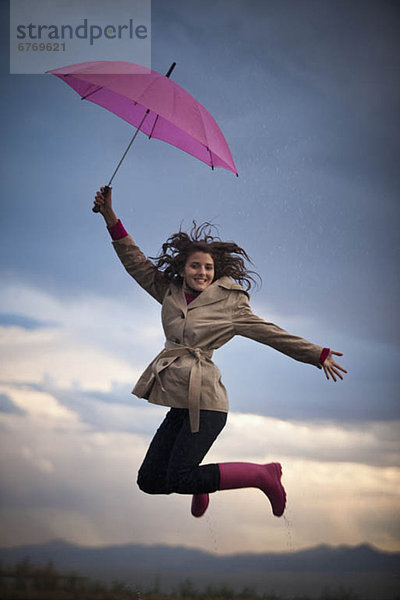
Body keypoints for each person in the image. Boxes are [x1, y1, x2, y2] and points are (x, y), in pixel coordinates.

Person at [93, 187, 347, 519]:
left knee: (180, 477)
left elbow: (271, 333)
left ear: (216, 272)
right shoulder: (169, 292)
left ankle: (263, 475)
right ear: (183, 268)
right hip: (182, 405)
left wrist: (317, 353)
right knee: (150, 481)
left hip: (208, 404)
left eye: (208, 268)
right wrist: (110, 216)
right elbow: (135, 262)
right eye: (196, 266)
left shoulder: (229, 304)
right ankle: (201, 485)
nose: (202, 272)